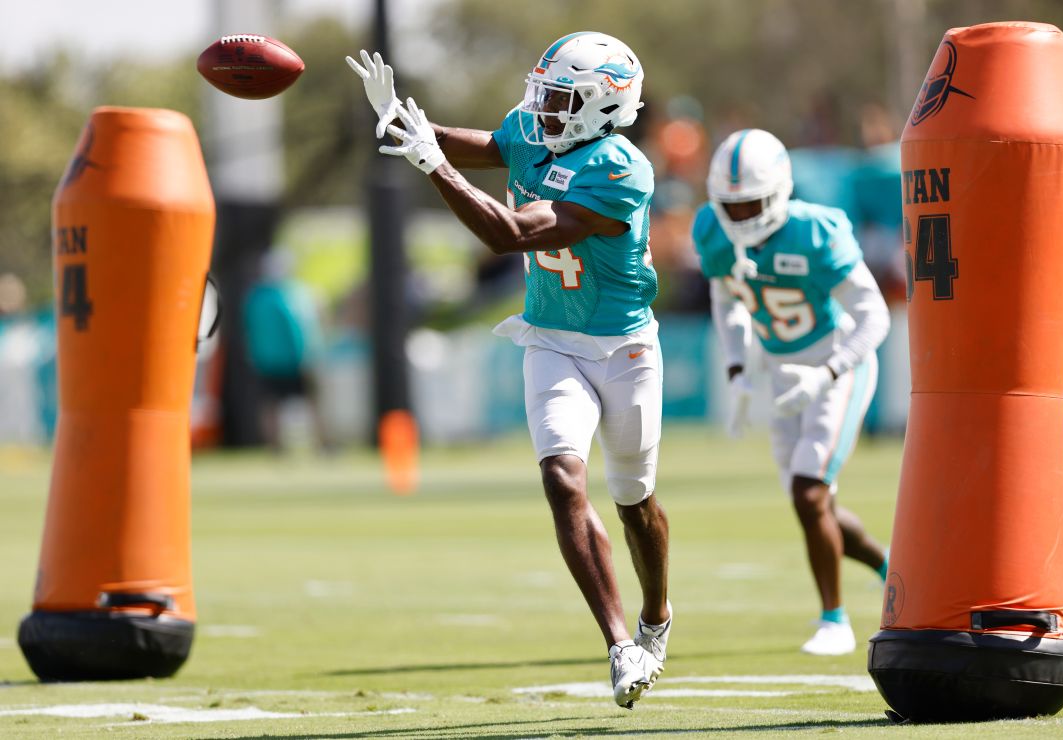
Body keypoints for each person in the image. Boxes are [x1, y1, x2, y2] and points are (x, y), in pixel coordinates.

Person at [347, 32, 671, 708]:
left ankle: (656, 616)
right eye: (545, 93)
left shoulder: (619, 169)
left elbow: (508, 233)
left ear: (605, 107)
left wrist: (434, 166)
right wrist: (399, 116)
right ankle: (619, 644)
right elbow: (485, 146)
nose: (543, 109)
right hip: (550, 337)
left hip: (624, 349)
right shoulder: (536, 128)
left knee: (634, 500)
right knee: (562, 477)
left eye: (561, 99)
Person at [691, 129, 890, 656]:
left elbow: (874, 318)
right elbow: (725, 296)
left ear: (779, 191)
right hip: (780, 369)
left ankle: (835, 620)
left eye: (750, 204)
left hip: (836, 360)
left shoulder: (816, 231)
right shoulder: (711, 230)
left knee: (809, 491)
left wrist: (826, 373)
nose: (739, 218)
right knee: (814, 503)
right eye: (729, 206)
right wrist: (737, 369)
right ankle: (892, 567)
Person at [242, 250, 328, 452]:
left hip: (264, 360)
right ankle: (321, 443)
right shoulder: (288, 295)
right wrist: (307, 356)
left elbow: (248, 330)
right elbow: (296, 330)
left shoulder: (255, 297)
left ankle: (275, 447)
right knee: (311, 402)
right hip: (292, 359)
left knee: (271, 405)